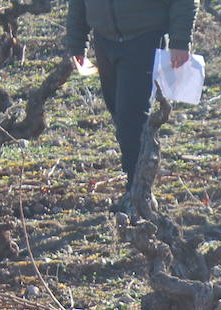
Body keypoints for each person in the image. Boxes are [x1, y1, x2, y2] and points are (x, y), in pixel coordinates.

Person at [64, 0, 197, 208]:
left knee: (131, 120)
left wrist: (180, 41)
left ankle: (137, 193)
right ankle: (136, 187)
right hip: (104, 39)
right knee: (119, 113)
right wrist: (76, 42)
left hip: (144, 39)